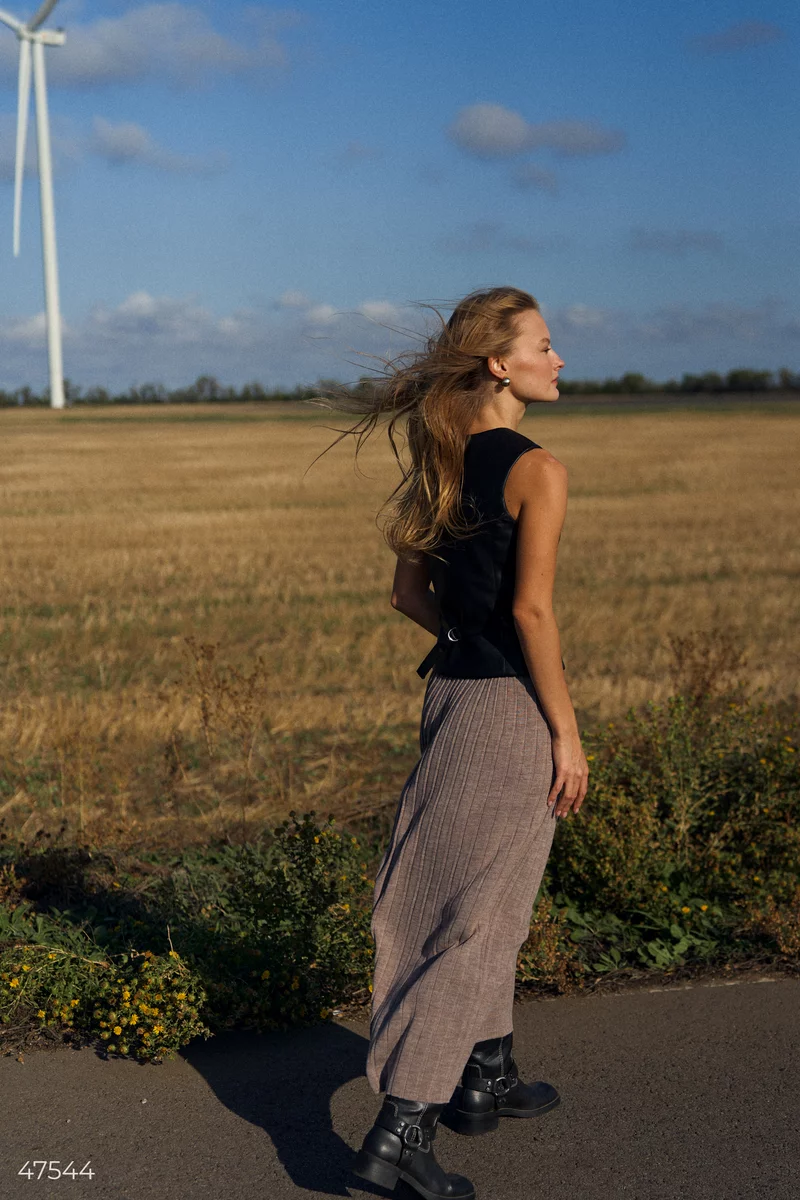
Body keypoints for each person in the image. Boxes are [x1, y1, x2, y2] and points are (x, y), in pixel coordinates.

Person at [333, 286, 589, 1200]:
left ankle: (486, 1075)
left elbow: (409, 596)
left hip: (450, 698)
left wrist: (459, 643)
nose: (560, 360)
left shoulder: (437, 462)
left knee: (495, 896)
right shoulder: (538, 468)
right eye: (547, 346)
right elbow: (531, 611)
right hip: (509, 714)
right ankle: (401, 1132)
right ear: (500, 362)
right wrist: (565, 732)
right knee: (471, 922)